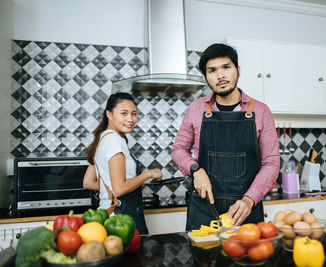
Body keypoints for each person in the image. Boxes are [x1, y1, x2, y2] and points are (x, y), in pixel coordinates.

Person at [171, 43, 280, 230]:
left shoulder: (261, 111)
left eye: (226, 67)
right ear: (206, 77)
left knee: (246, 259)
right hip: (204, 208)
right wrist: (195, 170)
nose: (220, 75)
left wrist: (249, 199)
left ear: (238, 70)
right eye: (212, 70)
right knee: (203, 258)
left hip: (245, 209)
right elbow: (178, 149)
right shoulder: (196, 109)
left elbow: (271, 163)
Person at [83, 92, 163, 234]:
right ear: (109, 114)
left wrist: (134, 182)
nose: (130, 119)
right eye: (124, 113)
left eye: (134, 114)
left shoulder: (101, 138)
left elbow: (88, 182)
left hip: (108, 214)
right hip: (122, 216)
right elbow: (119, 188)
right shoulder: (114, 141)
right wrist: (148, 174)